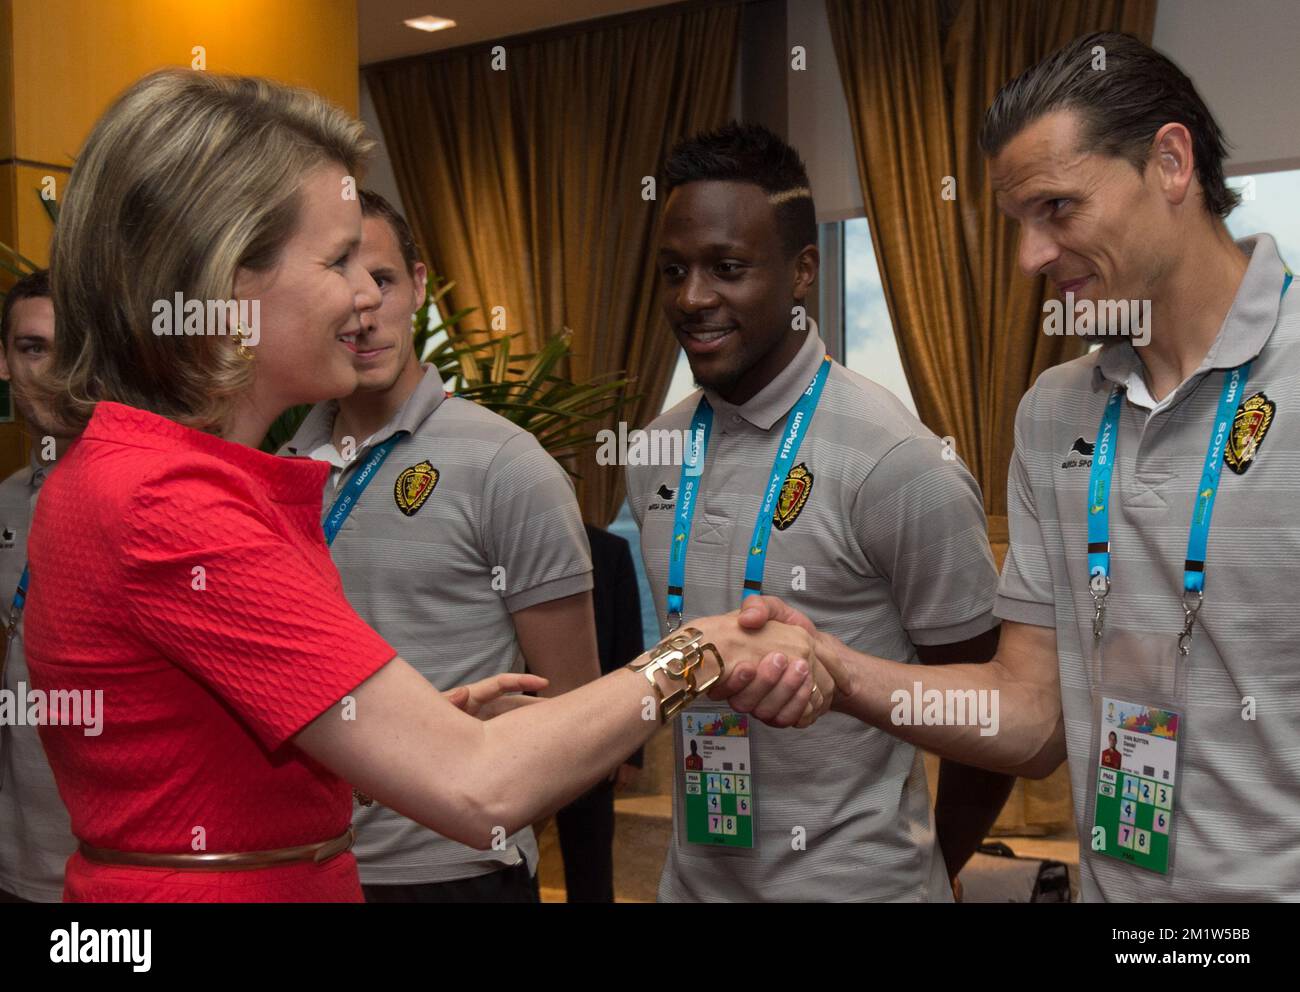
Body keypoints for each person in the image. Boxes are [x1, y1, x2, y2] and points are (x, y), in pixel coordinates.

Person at [23, 68, 830, 903]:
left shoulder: (143, 472)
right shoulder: (170, 503)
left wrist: (408, 734)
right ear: (233, 284)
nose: (365, 296)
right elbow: (480, 786)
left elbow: (206, 775)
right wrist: (706, 650)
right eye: (338, 261)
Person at [747, 31, 1300, 902]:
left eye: (1058, 209)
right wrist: (836, 669)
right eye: (1019, 222)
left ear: (1169, 163)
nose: (1029, 259)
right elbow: (1031, 713)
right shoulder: (1056, 412)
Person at [627, 122, 1012, 902]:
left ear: (803, 271)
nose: (693, 298)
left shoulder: (897, 460)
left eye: (727, 268)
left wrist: (932, 868)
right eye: (674, 270)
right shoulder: (653, 451)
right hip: (689, 885)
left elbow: (989, 711)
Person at [283, 189, 601, 902]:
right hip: (307, 863)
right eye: (339, 279)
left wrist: (480, 800)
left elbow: (577, 713)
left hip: (454, 873)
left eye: (384, 281)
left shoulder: (506, 466)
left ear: (420, 287)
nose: (362, 307)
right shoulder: (282, 467)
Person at [0, 269, 76, 902]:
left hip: (127, 870)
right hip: (20, 861)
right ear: (4, 362)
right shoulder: (3, 506)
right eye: (33, 348)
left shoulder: (149, 497)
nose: (54, 371)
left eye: (74, 348)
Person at [552, 523, 647, 903]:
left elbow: (629, 649)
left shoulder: (609, 550)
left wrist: (628, 748)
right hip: (514, 728)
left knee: (590, 865)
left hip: (593, 735)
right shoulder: (500, 549)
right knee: (513, 859)